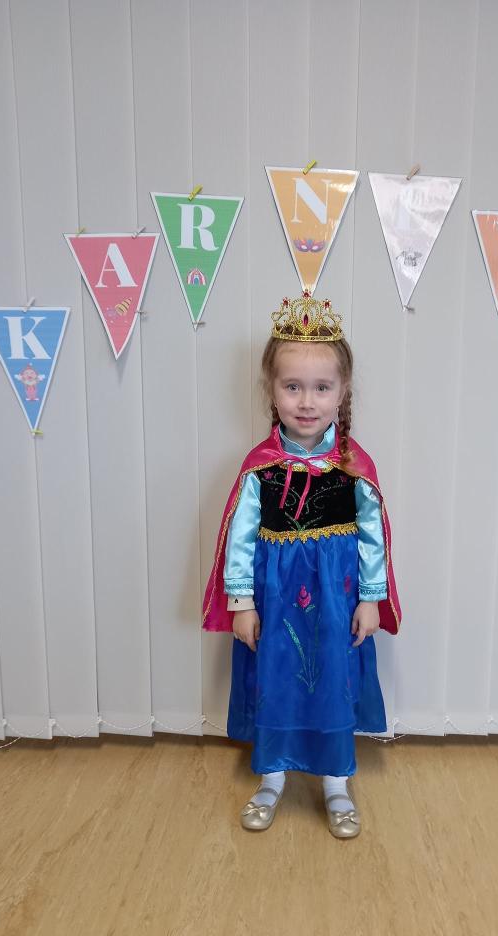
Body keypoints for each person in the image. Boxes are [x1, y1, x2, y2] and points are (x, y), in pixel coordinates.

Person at [202, 291, 401, 838]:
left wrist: (370, 599)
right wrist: (241, 603)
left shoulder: (353, 467)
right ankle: (271, 779)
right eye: (292, 387)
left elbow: (373, 538)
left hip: (336, 603)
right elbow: (240, 539)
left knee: (332, 681)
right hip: (275, 602)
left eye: (321, 387)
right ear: (271, 389)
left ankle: (336, 784)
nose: (307, 401)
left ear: (343, 390)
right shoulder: (260, 468)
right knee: (276, 681)